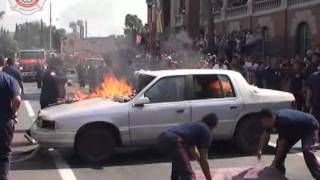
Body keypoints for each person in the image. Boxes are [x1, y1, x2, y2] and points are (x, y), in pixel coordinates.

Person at [256, 109, 320, 179]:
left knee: (307, 151)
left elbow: (282, 145)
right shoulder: (272, 120)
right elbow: (265, 135)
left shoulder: (283, 122)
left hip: (310, 126)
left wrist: (274, 162)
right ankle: (278, 173)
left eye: (263, 122)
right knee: (280, 150)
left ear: (268, 119)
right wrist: (260, 149)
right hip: (295, 128)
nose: (262, 125)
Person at [157, 114, 218, 180]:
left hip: (162, 139)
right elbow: (203, 159)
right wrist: (209, 178)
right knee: (188, 174)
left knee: (178, 166)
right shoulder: (206, 131)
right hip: (174, 140)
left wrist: (200, 161)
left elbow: (193, 152)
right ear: (213, 126)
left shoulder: (195, 126)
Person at [0, 71, 21, 180]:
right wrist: (12, 113)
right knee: (3, 155)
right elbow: (17, 100)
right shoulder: (9, 79)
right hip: (3, 122)